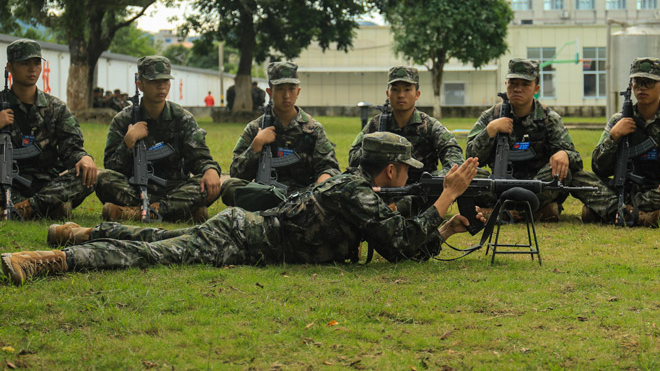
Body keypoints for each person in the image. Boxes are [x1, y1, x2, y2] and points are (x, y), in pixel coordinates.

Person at [1, 133, 484, 285]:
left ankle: (78, 234)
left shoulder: (360, 191)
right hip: (240, 237)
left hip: (243, 233)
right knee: (156, 254)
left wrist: (447, 228)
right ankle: (50, 261)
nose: (407, 173)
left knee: (155, 239)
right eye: (405, 167)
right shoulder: (355, 192)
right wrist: (445, 197)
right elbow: (398, 243)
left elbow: (403, 245)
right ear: (393, 169)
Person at [574, 58, 660, 227]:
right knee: (578, 178)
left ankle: (614, 211)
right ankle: (640, 216)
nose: (642, 87)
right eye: (637, 82)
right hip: (626, 190)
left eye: (649, 82)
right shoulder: (618, 121)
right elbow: (599, 168)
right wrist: (613, 137)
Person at [94, 56, 222, 223]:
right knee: (103, 180)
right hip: (135, 189)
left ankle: (139, 212)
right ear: (140, 84)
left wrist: (210, 170)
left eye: (165, 81)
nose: (161, 86)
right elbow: (112, 166)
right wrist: (128, 142)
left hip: (176, 189)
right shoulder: (123, 120)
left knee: (207, 183)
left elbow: (200, 158)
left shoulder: (182, 118)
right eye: (154, 81)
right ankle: (182, 211)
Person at [466, 58, 588, 222]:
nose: (517, 89)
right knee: (467, 174)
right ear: (506, 84)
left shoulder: (548, 118)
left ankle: (502, 213)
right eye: (513, 83)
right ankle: (535, 212)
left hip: (536, 185)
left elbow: (576, 158)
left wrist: (564, 154)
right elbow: (471, 157)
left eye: (525, 84)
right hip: (497, 185)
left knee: (562, 173)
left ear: (536, 88)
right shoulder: (491, 117)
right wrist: (490, 131)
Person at [220, 62, 339, 211]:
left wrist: (322, 182)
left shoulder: (313, 129)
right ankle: (284, 210)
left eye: (291, 89)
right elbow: (236, 174)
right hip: (264, 193)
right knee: (229, 187)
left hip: (303, 196)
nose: (286, 95)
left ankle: (288, 210)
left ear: (298, 91)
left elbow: (330, 167)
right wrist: (256, 146)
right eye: (280, 89)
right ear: (270, 92)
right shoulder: (255, 128)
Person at [0, 39, 98, 219]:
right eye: (25, 63)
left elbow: (72, 147)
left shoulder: (56, 108)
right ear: (10, 67)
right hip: (6, 183)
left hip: (47, 185)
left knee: (88, 174)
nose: (32, 69)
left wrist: (83, 158)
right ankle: (50, 209)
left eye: (36, 63)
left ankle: (28, 209)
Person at [349, 66, 464, 185]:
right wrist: (375, 148)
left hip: (421, 194)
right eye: (395, 90)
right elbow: (353, 159)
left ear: (417, 94)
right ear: (388, 94)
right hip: (383, 193)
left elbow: (455, 160)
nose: (401, 95)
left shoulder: (429, 126)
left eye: (407, 90)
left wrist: (431, 179)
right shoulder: (375, 125)